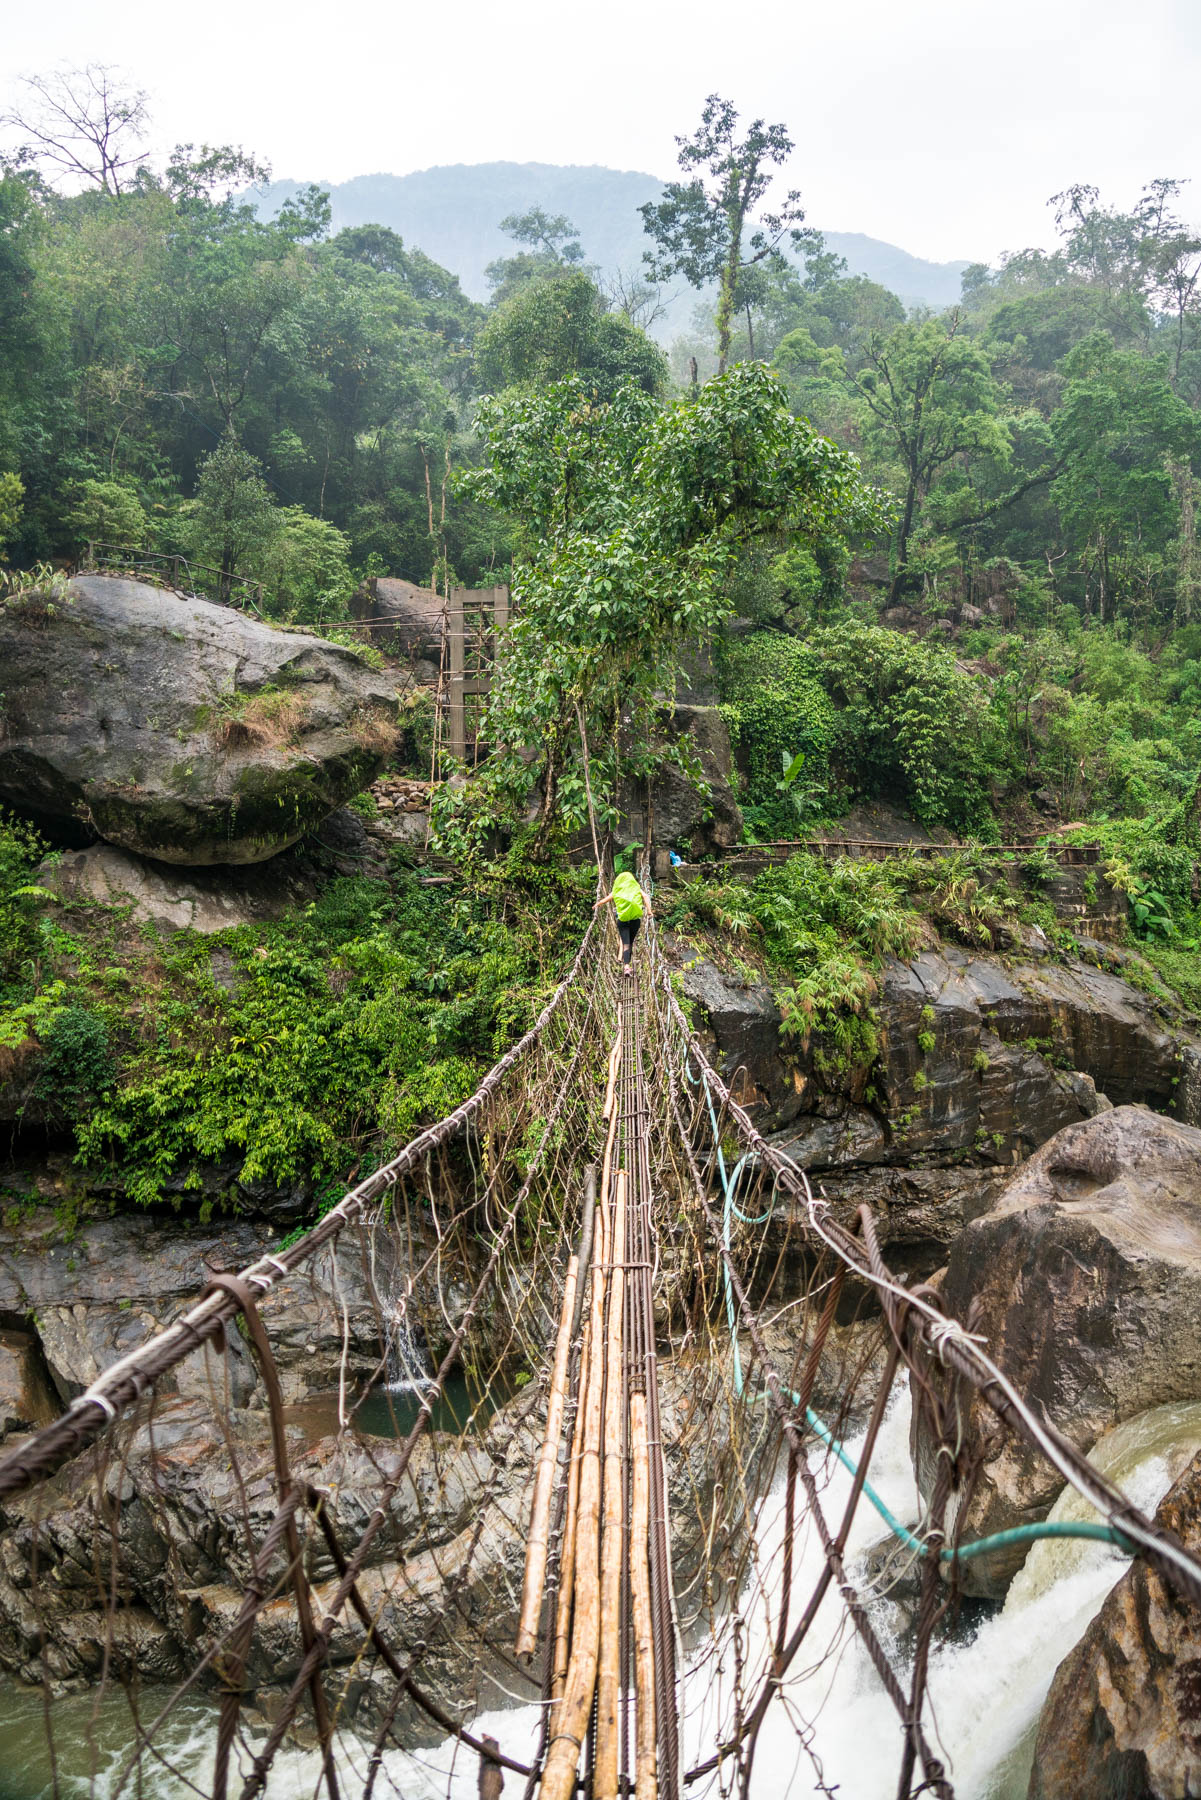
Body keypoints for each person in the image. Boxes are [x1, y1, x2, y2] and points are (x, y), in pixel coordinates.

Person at [594, 870, 646, 974]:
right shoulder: (636, 889)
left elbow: (606, 899)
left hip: (622, 921)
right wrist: (649, 912)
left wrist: (597, 904)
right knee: (630, 943)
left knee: (625, 944)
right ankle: (627, 965)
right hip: (635, 921)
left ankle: (626, 966)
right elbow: (645, 897)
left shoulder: (617, 890)